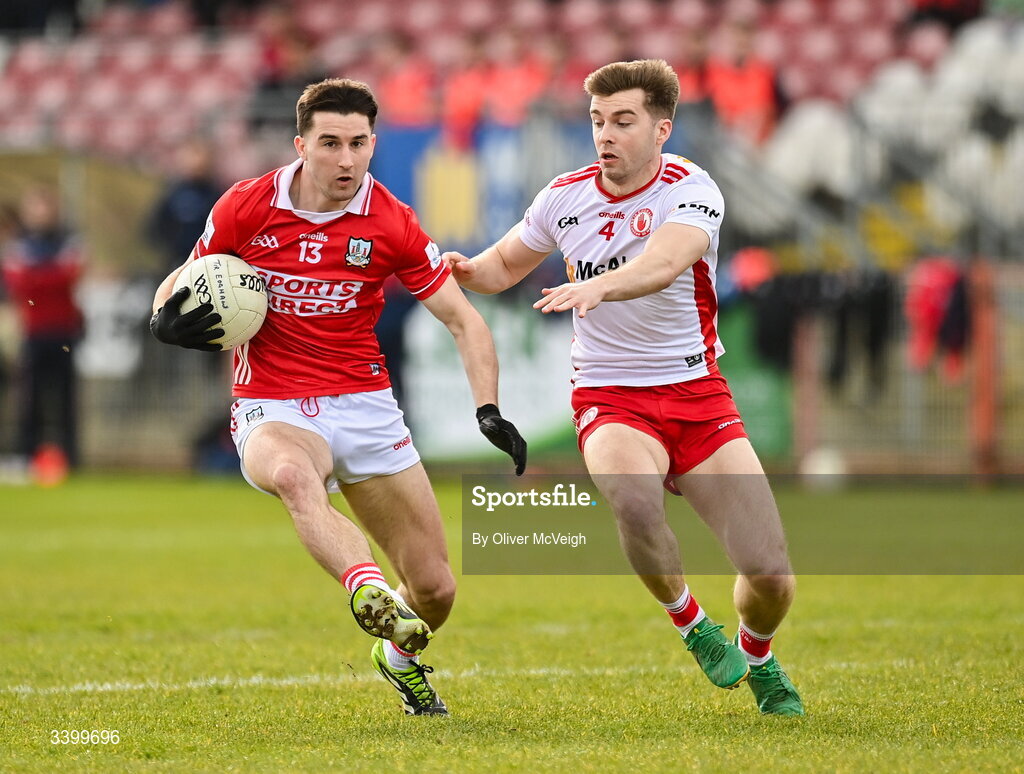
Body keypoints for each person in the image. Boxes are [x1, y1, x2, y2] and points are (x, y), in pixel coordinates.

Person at [149, 78, 527, 716]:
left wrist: (488, 409)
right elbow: (179, 286)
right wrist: (164, 316)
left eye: (358, 143)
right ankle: (367, 591)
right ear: (301, 144)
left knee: (435, 590)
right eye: (330, 143)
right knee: (296, 476)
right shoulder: (245, 207)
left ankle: (397, 653)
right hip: (273, 405)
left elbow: (465, 320)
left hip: (366, 404)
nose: (346, 159)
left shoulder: (391, 221)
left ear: (374, 143)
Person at [445, 59, 803, 716]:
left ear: (662, 129)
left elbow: (667, 262)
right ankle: (693, 625)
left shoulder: (692, 188)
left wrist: (598, 284)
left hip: (698, 394)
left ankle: (759, 656)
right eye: (597, 122)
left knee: (773, 577)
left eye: (623, 122)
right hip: (610, 396)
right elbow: (501, 266)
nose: (606, 135)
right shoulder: (563, 196)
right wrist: (464, 268)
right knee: (634, 503)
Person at [1, 186, 84, 472]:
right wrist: (50, 276)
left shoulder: (68, 240)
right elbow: (18, 282)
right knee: (30, 401)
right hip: (33, 332)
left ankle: (71, 461)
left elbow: (69, 275)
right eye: (35, 207)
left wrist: (36, 276)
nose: (41, 213)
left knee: (66, 401)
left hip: (64, 331)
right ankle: (27, 458)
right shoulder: (19, 245)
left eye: (45, 207)